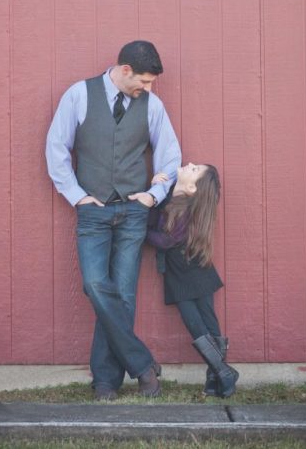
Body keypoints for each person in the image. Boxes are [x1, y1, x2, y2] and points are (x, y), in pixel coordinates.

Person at [46, 40, 181, 400]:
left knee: (123, 295)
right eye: (145, 82)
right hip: (93, 212)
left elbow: (170, 156)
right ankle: (142, 365)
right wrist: (77, 196)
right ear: (124, 71)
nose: (148, 89)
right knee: (94, 285)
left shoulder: (151, 105)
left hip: (134, 212)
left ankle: (105, 382)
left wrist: (153, 196)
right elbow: (57, 147)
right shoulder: (79, 95)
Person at [146, 162, 239, 398]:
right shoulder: (169, 197)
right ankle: (220, 374)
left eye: (195, 169)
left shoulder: (188, 209)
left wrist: (140, 233)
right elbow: (154, 220)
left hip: (194, 270)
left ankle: (218, 373)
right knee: (195, 323)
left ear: (193, 189)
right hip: (179, 274)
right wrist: (154, 191)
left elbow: (166, 240)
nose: (189, 164)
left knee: (204, 322)